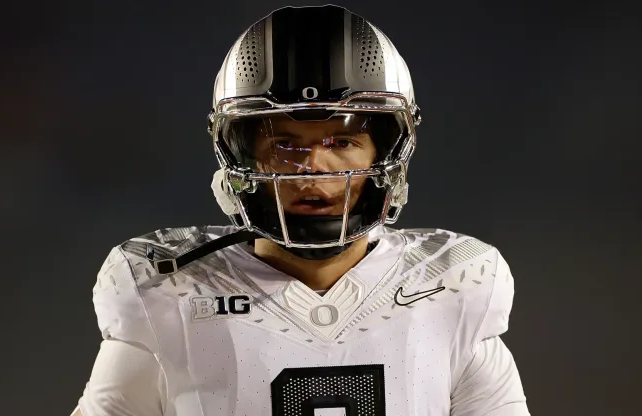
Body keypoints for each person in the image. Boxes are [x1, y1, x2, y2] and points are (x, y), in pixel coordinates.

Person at [71, 5, 529, 416]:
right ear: (241, 156)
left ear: (385, 153)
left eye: (342, 142)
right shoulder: (168, 293)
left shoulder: (452, 286)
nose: (313, 167)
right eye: (284, 144)